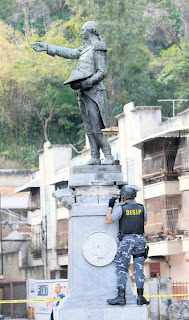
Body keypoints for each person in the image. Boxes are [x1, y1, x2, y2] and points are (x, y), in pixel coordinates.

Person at [30, 21, 113, 165]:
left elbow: (102, 72)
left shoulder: (98, 47)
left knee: (96, 128)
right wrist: (49, 48)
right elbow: (70, 53)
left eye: (83, 30)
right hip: (82, 91)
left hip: (94, 91)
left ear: (91, 31)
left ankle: (108, 156)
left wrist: (88, 82)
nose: (81, 33)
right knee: (88, 128)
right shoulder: (86, 48)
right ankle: (94, 156)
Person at [106, 185, 149, 306]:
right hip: (140, 240)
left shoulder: (121, 208)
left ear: (123, 197)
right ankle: (140, 297)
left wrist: (110, 206)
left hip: (126, 241)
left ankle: (121, 297)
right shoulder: (141, 207)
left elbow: (109, 220)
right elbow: (144, 222)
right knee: (139, 268)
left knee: (122, 267)